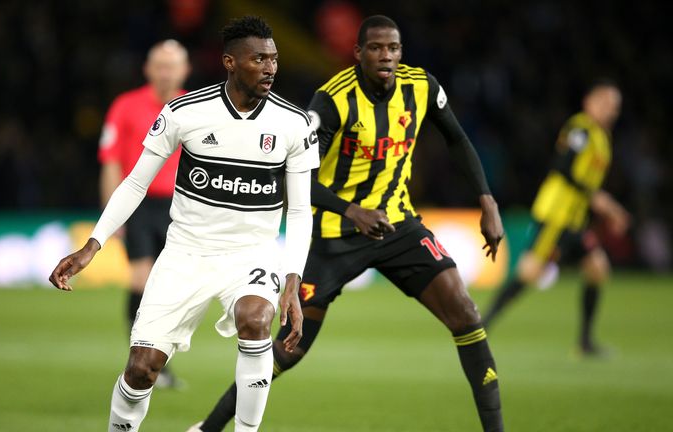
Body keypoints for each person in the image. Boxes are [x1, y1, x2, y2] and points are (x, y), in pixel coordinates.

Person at [190, 15, 505, 432]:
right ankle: (207, 429)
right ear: (358, 53)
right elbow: (293, 173)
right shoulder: (333, 100)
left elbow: (457, 138)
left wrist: (487, 200)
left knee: (465, 313)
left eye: (393, 48)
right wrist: (351, 211)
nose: (386, 56)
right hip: (334, 237)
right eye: (376, 48)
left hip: (399, 227)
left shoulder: (422, 87)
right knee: (289, 349)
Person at [50, 16, 319, 432]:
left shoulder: (294, 124)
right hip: (185, 255)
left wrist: (291, 279)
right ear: (230, 62)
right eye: (258, 59)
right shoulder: (184, 112)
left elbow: (301, 211)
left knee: (255, 318)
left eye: (274, 59)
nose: (270, 68)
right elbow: (135, 182)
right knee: (142, 369)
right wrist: (93, 243)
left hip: (252, 255)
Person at [483, 80, 628, 356]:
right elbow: (563, 167)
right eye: (605, 103)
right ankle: (480, 327)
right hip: (555, 215)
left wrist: (596, 201)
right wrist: (600, 200)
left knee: (597, 269)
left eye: (615, 106)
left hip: (574, 220)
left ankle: (585, 343)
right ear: (589, 102)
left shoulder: (601, 137)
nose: (610, 110)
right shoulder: (581, 129)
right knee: (529, 273)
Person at [98, 39, 190, 389]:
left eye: (173, 66)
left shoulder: (193, 107)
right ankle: (137, 361)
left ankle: (157, 362)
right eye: (160, 65)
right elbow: (110, 160)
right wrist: (113, 212)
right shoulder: (125, 106)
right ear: (148, 69)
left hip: (180, 209)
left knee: (170, 289)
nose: (166, 72)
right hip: (138, 205)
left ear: (185, 70)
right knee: (140, 281)